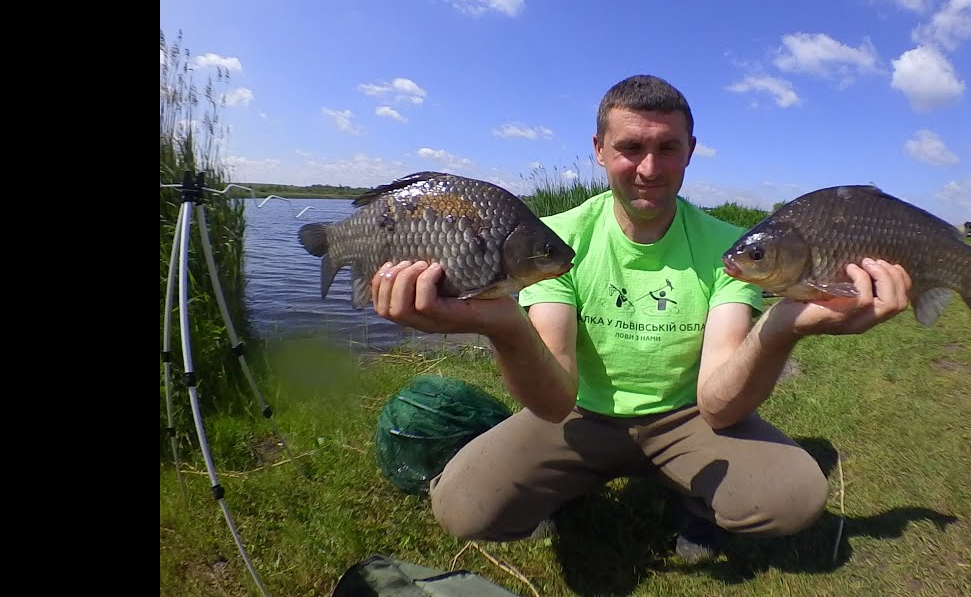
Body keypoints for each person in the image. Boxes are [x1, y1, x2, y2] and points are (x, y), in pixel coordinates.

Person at [370, 75, 913, 563]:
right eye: (630, 147)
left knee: (795, 498)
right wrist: (503, 324)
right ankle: (570, 488)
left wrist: (782, 326)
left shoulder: (729, 248)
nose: (649, 169)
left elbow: (720, 405)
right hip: (578, 415)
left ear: (690, 152)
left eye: (667, 148)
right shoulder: (551, 241)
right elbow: (555, 398)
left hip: (687, 417)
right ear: (599, 150)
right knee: (466, 510)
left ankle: (691, 500)